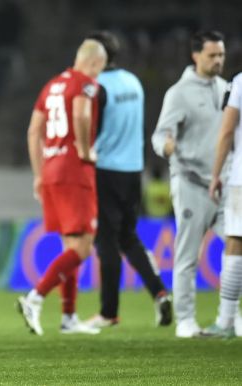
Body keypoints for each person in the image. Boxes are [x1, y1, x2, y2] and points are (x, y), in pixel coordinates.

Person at [82, 31, 172, 329]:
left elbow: (91, 126)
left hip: (106, 169)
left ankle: (109, 313)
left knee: (106, 241)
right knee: (129, 237)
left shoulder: (96, 87)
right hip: (134, 170)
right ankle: (159, 292)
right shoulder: (133, 82)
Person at [17, 39, 107, 336]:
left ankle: (68, 317)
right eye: (100, 69)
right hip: (73, 170)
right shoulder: (85, 84)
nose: (98, 76)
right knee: (83, 248)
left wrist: (38, 174)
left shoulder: (52, 85)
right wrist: (84, 150)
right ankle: (36, 296)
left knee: (71, 246)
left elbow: (33, 130)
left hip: (51, 170)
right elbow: (81, 114)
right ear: (94, 63)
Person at [151, 30, 228, 338]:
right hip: (191, 183)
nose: (218, 61)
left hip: (223, 186)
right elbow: (159, 135)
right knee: (187, 256)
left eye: (221, 55)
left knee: (236, 249)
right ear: (195, 55)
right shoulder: (178, 93)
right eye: (212, 55)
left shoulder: (225, 89)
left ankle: (229, 316)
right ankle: (185, 321)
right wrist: (166, 147)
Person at [202, 71, 242, 338]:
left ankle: (226, 320)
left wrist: (216, 173)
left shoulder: (240, 81)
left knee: (235, 243)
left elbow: (227, 129)